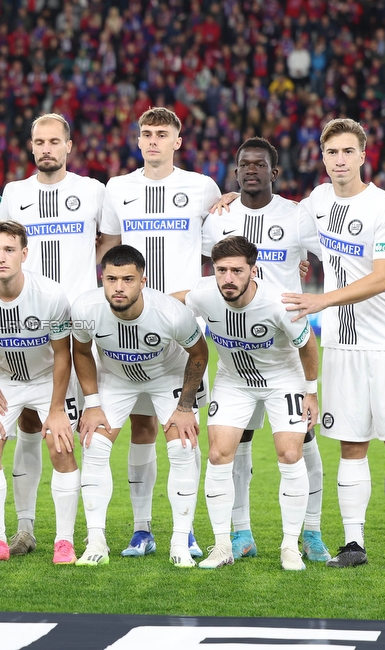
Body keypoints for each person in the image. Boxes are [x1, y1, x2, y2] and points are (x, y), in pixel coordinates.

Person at [208, 138, 385, 562]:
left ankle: (314, 531)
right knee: (236, 442)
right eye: (243, 165)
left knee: (303, 441)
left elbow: (346, 258)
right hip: (236, 353)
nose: (251, 171)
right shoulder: (218, 217)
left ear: (274, 171)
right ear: (234, 172)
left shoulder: (299, 214)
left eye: (259, 165)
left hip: (289, 350)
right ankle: (241, 530)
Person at [283, 118, 385, 571]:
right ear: (322, 158)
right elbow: (276, 219)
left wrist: (321, 299)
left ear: (363, 156)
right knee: (350, 445)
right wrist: (228, 201)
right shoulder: (318, 202)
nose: (340, 160)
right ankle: (353, 544)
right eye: (332, 153)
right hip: (342, 347)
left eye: (348, 151)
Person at [96, 107, 220, 558]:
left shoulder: (202, 187)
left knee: (185, 430)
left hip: (183, 326)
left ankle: (185, 531)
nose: (152, 141)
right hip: (129, 321)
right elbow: (108, 248)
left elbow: (222, 241)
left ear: (177, 141)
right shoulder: (119, 188)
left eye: (161, 134)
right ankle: (142, 529)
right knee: (142, 426)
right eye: (146, 134)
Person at [0, 113, 105, 556]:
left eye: (54, 141)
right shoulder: (14, 194)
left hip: (76, 326)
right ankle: (25, 528)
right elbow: (0, 249)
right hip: (22, 323)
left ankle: (82, 531)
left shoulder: (93, 191)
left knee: (77, 428)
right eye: (39, 141)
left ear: (69, 146)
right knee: (28, 424)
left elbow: (111, 243)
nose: (46, 149)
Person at [174, 236, 319, 571]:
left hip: (283, 381)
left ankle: (289, 547)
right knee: (217, 453)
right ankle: (222, 545)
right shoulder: (205, 294)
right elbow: (176, 300)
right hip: (234, 381)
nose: (228, 278)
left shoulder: (277, 303)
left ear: (252, 271)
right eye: (221, 270)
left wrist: (310, 392)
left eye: (237, 270)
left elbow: (308, 344)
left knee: (290, 453)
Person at [71, 244, 210, 567]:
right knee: (93, 445)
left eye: (128, 279)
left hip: (167, 376)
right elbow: (80, 351)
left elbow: (200, 354)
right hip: (116, 379)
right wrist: (91, 404)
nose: (119, 287)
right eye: (111, 279)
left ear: (143, 281)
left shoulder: (170, 313)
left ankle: (181, 538)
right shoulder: (85, 308)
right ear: (101, 278)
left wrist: (185, 406)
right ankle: (97, 541)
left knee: (182, 447)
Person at [0, 221, 81, 564]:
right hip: (6, 379)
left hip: (47, 380)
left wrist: (56, 409)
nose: (1, 257)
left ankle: (64, 543)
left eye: (9, 250)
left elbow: (63, 354)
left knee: (61, 445)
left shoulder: (51, 295)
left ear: (24, 254)